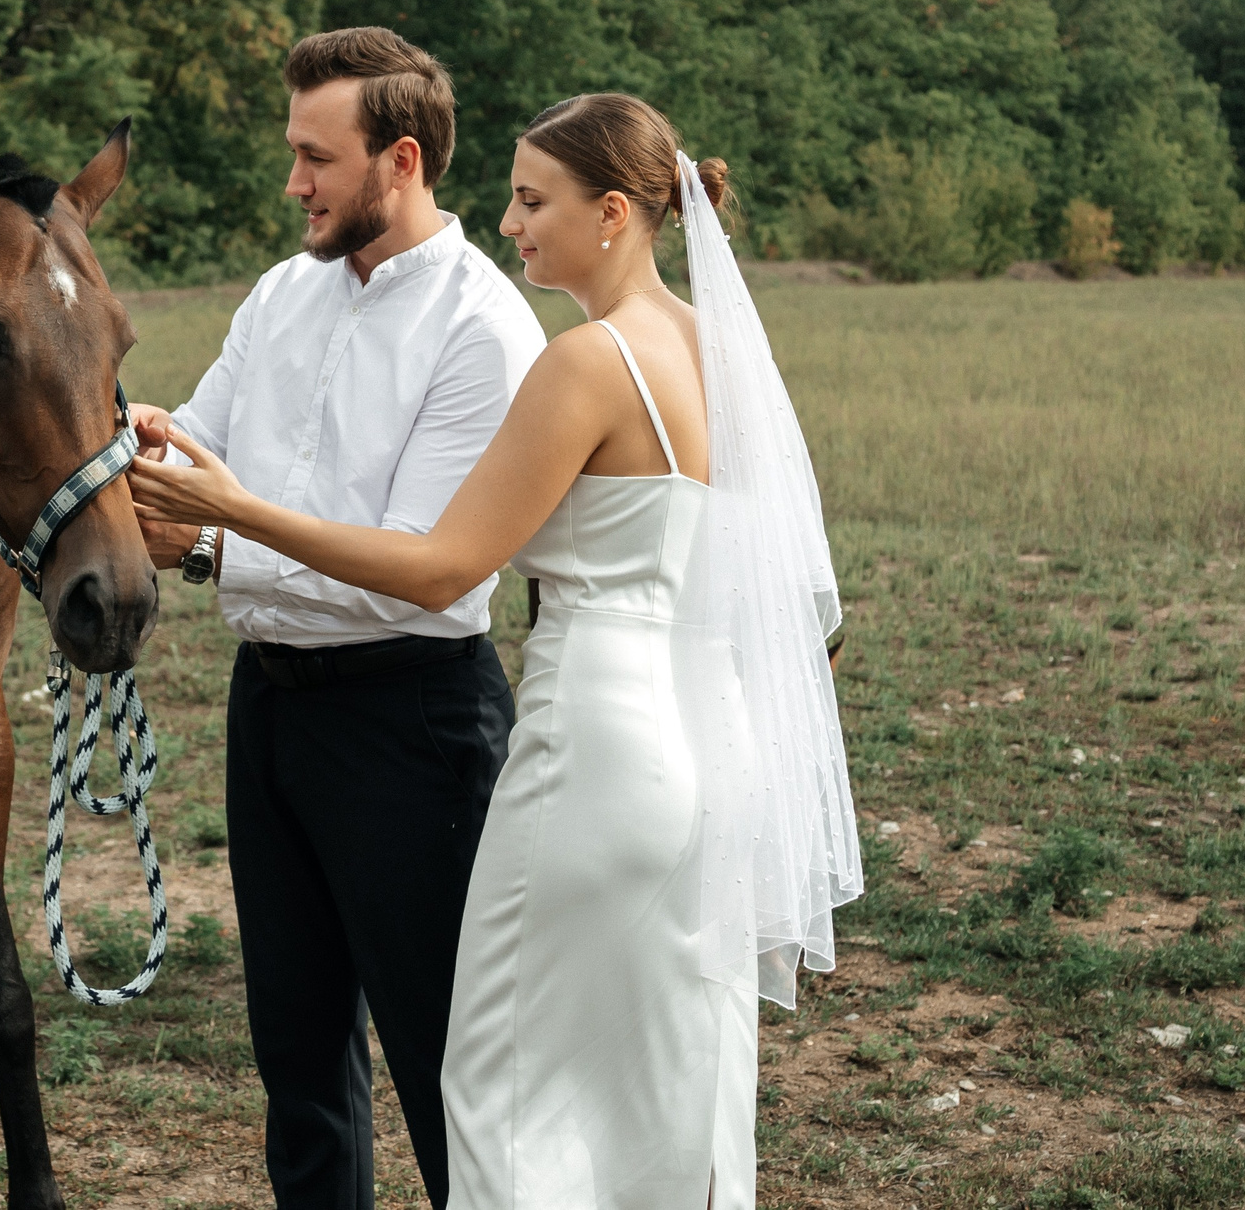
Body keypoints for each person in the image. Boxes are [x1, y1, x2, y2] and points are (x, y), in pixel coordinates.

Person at [132, 92, 864, 1210]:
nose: (511, 221)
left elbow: (439, 566)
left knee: (498, 1090)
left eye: (533, 199)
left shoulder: (585, 363)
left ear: (612, 212)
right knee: (664, 1079)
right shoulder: (722, 355)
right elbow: (807, 622)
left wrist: (237, 515)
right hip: (711, 758)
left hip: (595, 759)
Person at [127, 27, 547, 1210]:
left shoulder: (484, 328)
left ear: (399, 159)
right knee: (298, 1063)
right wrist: (130, 444)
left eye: (315, 157)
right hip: (269, 711)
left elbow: (426, 572)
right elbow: (192, 455)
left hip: (411, 723)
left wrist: (213, 531)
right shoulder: (278, 294)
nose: (292, 183)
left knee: (447, 1064)